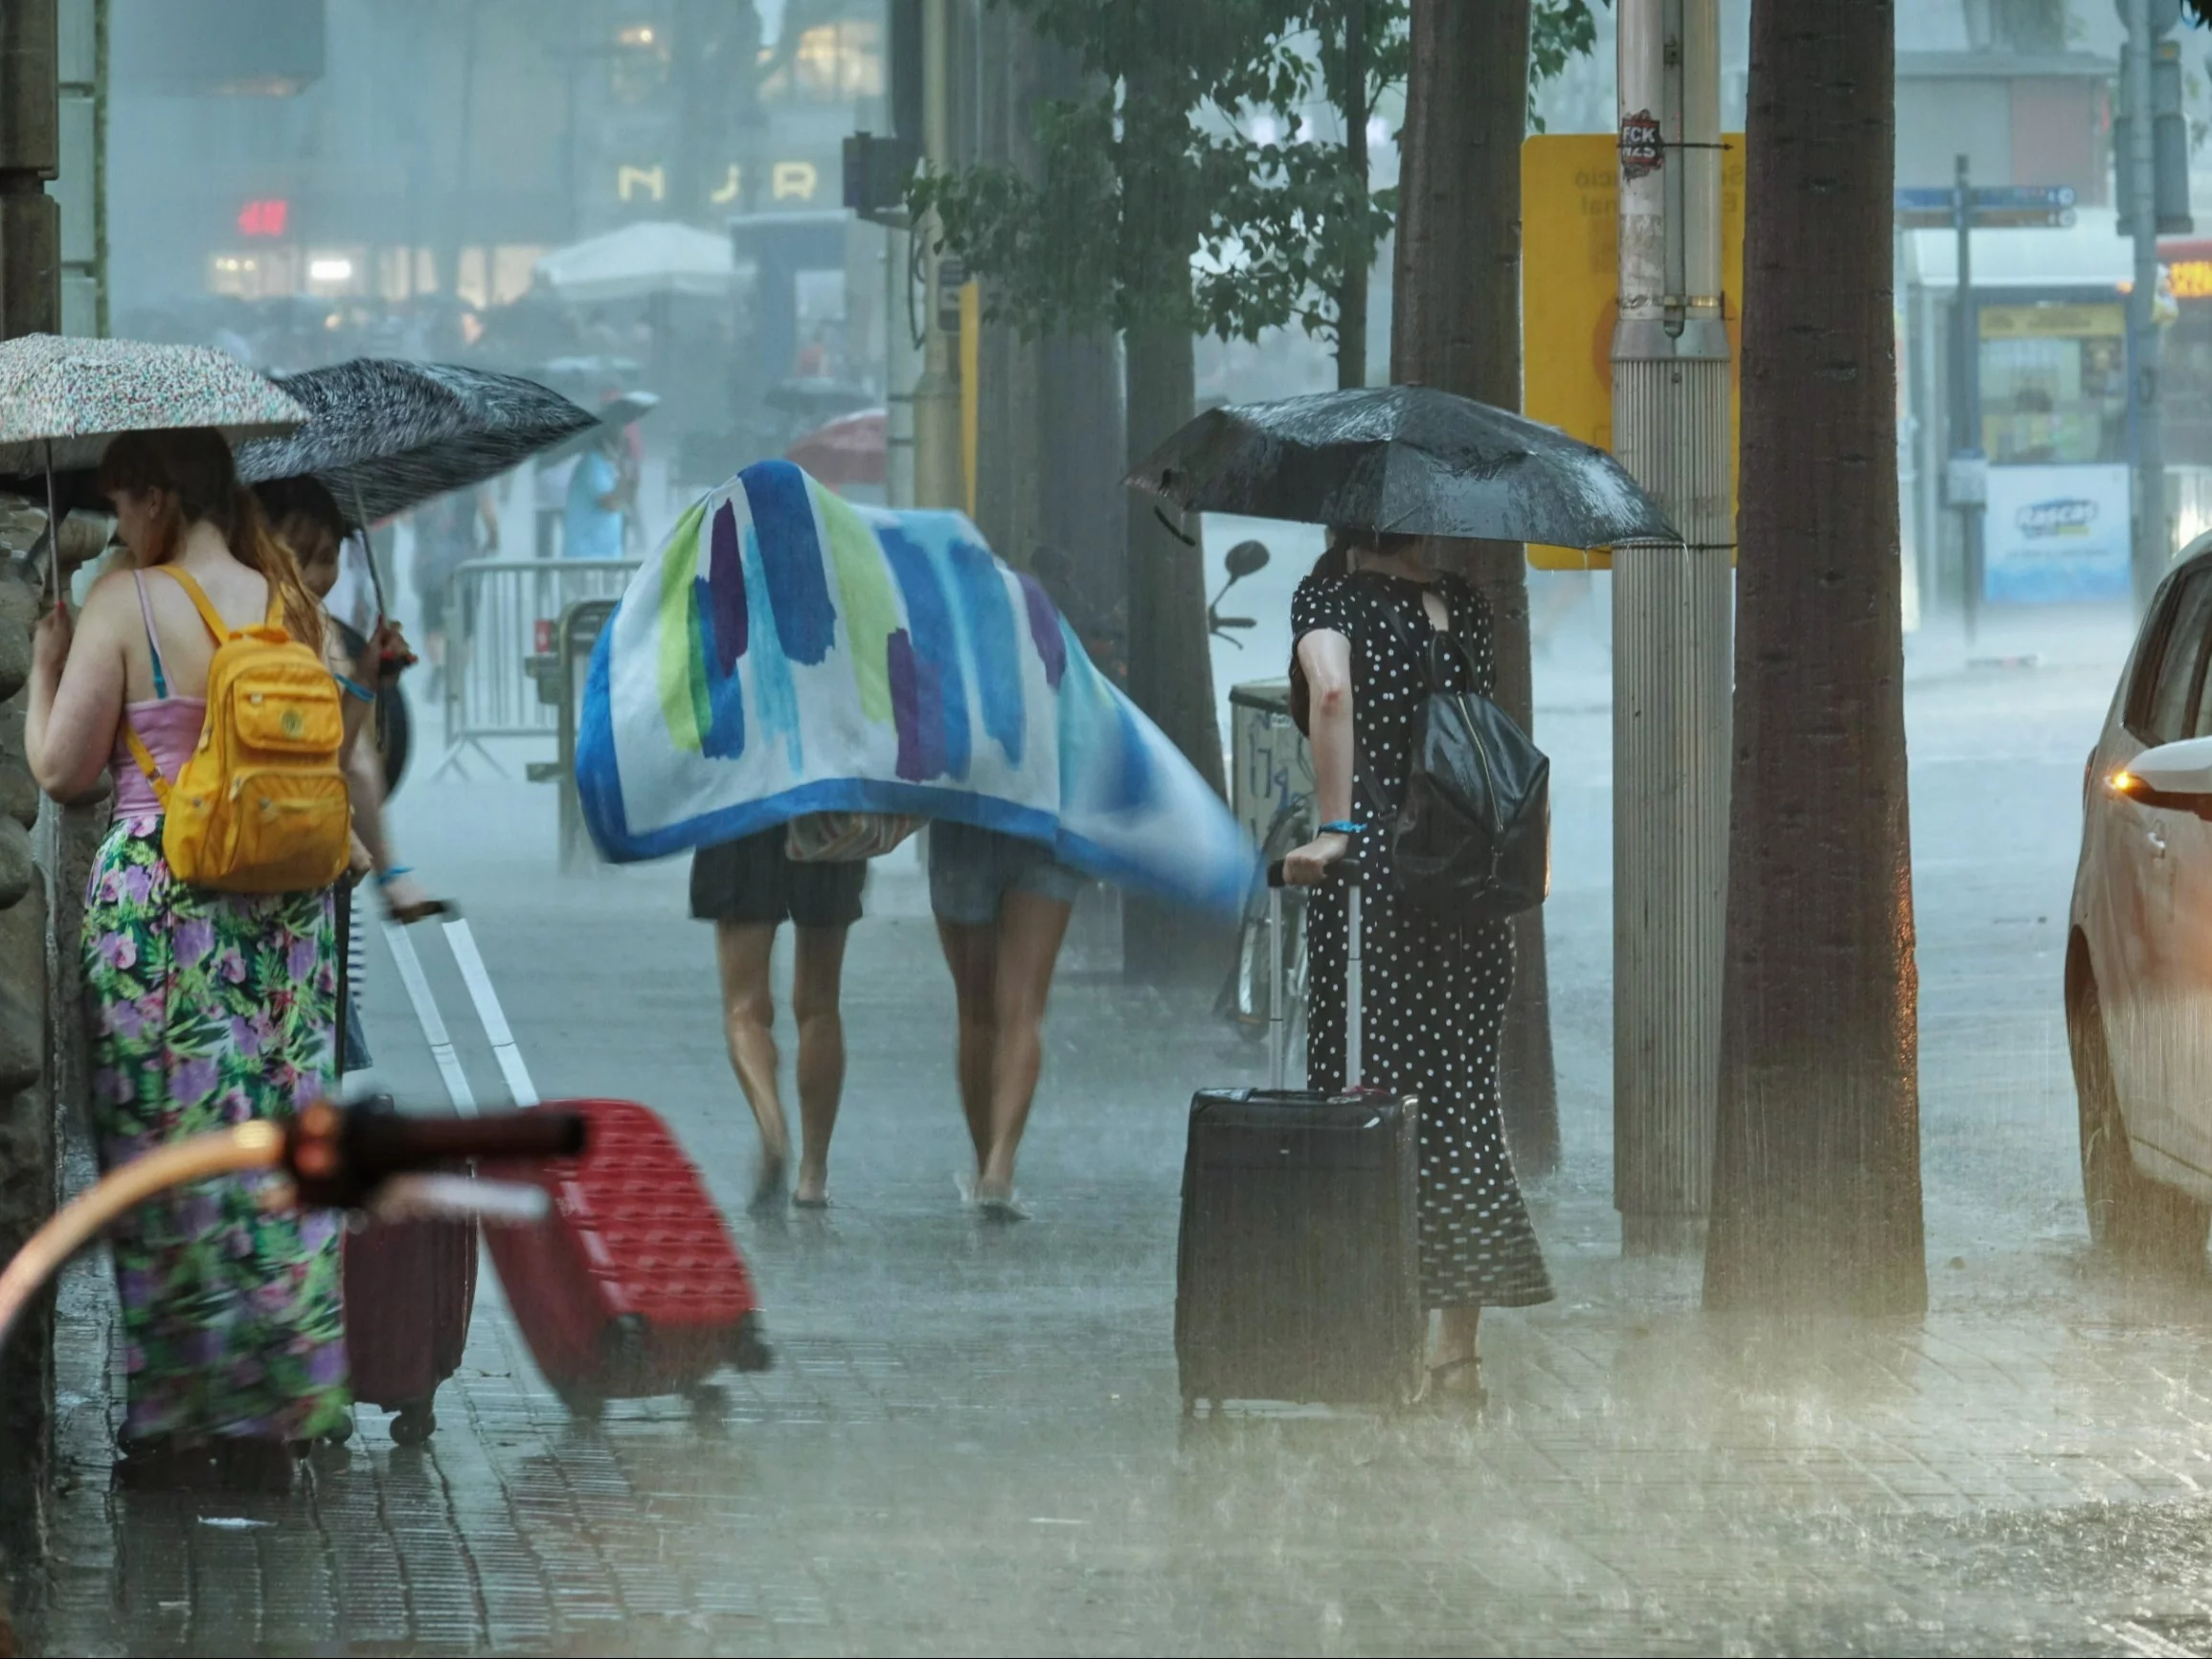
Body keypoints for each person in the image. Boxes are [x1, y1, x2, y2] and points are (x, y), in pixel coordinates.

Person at [25, 428, 349, 1490]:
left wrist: (43, 668)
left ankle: (171, 1423)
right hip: (286, 923)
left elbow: (63, 768)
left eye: (123, 502)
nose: (117, 523)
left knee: (164, 1168)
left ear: (159, 497)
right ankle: (271, 1418)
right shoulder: (285, 597)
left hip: (163, 916)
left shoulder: (129, 598)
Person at [1283, 527, 1553, 1402]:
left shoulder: (1330, 604)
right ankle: (1458, 1359)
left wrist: (1335, 830)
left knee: (1370, 1106)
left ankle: (1378, 1348)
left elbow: (1330, 692)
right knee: (1464, 1111)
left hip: (1379, 906)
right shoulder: (1464, 608)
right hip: (1470, 901)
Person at [257, 477, 440, 1072]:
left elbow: (341, 753)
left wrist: (363, 678)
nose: (315, 573)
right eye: (300, 553)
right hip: (285, 856)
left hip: (295, 852)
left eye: (328, 556)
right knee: (300, 1048)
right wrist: (395, 874)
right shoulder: (289, 627)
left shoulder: (312, 626)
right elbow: (350, 763)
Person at [690, 829, 862, 1212]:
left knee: (744, 1009)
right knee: (820, 1005)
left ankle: (773, 1127)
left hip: (743, 813)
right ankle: (813, 1176)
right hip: (827, 811)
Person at [928, 822, 1085, 1221]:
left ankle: (984, 1166)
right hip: (1047, 822)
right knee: (1024, 1011)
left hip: (965, 822)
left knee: (976, 1012)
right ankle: (1000, 1165)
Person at [409, 483, 496, 692]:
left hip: (429, 564)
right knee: (464, 628)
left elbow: (406, 518)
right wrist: (493, 538)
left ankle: (438, 664)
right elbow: (488, 511)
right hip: (464, 563)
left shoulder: (422, 478)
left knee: (433, 624)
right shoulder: (474, 479)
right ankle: (456, 678)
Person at [564, 425, 633, 563]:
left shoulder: (608, 466)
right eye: (620, 441)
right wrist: (623, 479)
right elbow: (609, 503)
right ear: (607, 442)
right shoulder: (592, 465)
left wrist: (625, 475)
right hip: (587, 554)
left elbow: (627, 498)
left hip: (607, 553)